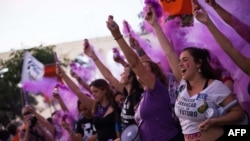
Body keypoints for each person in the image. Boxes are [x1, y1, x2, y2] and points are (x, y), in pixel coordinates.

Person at [144, 2, 245, 141]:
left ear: (198, 63)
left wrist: (215, 121)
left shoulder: (215, 87)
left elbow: (239, 114)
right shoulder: (183, 84)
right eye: (179, 61)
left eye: (185, 60)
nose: (180, 64)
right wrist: (155, 24)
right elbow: (169, 52)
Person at [106, 15, 184, 141]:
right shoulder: (144, 96)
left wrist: (118, 36)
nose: (141, 69)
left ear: (154, 74)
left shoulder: (157, 89)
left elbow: (136, 63)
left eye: (145, 67)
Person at [83, 39, 144, 132]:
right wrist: (93, 56)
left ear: (131, 78)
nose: (121, 74)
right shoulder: (127, 93)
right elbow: (108, 76)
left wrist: (119, 37)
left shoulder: (139, 95)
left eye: (124, 72)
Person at [56, 66, 119, 141]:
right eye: (92, 92)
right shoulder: (94, 106)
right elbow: (78, 92)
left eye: (96, 91)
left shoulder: (115, 104)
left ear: (104, 90)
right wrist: (64, 75)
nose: (93, 94)